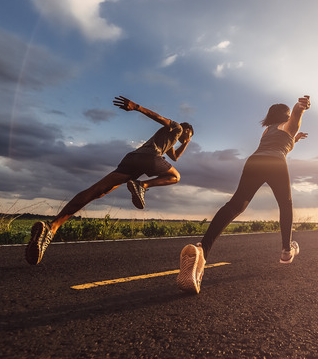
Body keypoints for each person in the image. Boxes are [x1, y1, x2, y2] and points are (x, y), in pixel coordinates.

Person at [25, 96, 194, 265]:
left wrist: (186, 143)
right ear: (186, 129)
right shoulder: (178, 128)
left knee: (97, 191)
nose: (187, 137)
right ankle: (142, 185)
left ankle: (51, 227)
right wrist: (137, 107)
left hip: (132, 159)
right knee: (175, 177)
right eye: (189, 134)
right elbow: (160, 118)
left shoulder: (169, 141)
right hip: (149, 158)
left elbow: (175, 157)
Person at [177, 95, 310, 293]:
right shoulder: (289, 124)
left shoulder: (267, 131)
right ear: (285, 115)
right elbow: (293, 123)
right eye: (289, 114)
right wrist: (300, 107)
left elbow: (281, 144)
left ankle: (202, 250)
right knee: (285, 204)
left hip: (254, 161)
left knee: (235, 205)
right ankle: (286, 250)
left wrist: (294, 140)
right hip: (275, 163)